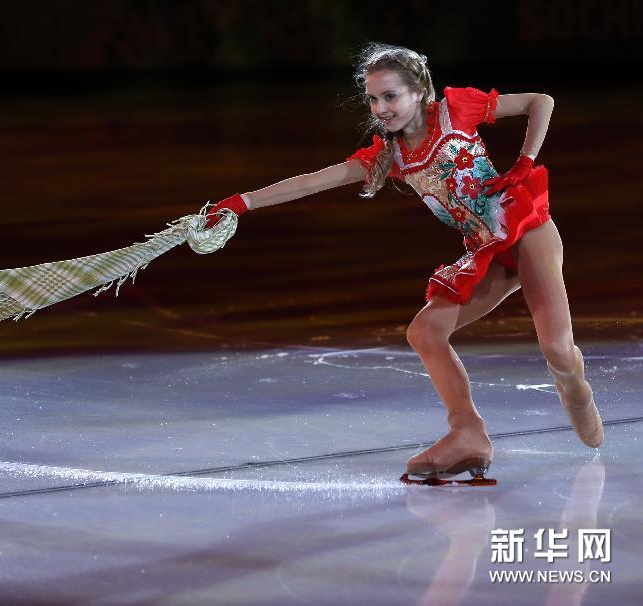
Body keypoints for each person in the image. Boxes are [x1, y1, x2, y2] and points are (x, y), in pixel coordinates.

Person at [203, 43, 603, 483]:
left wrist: (525, 160)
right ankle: (467, 431)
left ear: (419, 92)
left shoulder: (455, 111)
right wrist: (240, 204)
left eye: (390, 96)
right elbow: (312, 182)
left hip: (525, 228)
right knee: (425, 331)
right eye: (373, 99)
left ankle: (574, 387)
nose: (380, 109)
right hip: (487, 249)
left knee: (557, 351)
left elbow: (539, 101)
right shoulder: (389, 157)